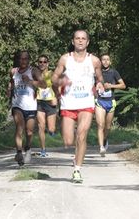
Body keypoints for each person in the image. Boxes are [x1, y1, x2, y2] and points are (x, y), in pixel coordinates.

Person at [52, 30, 104, 183]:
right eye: (77, 38)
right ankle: (77, 155)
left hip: (86, 103)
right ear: (73, 41)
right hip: (68, 103)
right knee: (68, 140)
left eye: (83, 39)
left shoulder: (94, 60)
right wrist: (59, 85)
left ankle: (77, 170)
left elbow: (99, 78)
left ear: (87, 42)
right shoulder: (65, 59)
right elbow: (54, 78)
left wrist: (100, 84)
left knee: (82, 135)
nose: (80, 41)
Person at [7, 51, 46, 166]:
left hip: (30, 106)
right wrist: (9, 90)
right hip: (17, 104)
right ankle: (19, 152)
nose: (23, 61)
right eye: (21, 59)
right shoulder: (13, 71)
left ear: (29, 60)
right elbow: (11, 83)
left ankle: (27, 147)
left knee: (29, 132)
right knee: (19, 127)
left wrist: (30, 81)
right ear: (18, 60)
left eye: (25, 59)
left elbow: (43, 84)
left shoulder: (33, 71)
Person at [95, 53, 126, 157]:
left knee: (107, 127)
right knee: (100, 125)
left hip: (110, 101)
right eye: (103, 59)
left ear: (110, 62)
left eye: (107, 60)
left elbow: (123, 85)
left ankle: (104, 139)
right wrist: (96, 87)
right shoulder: (96, 73)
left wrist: (111, 85)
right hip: (99, 101)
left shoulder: (114, 72)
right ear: (100, 61)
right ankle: (101, 147)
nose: (105, 61)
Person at [36, 55, 58, 157]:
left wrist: (56, 99)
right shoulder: (35, 75)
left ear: (48, 64)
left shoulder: (51, 74)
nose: (42, 64)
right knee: (41, 126)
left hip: (50, 103)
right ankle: (43, 150)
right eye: (40, 62)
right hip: (39, 102)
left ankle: (52, 131)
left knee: (51, 129)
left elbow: (57, 88)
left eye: (44, 62)